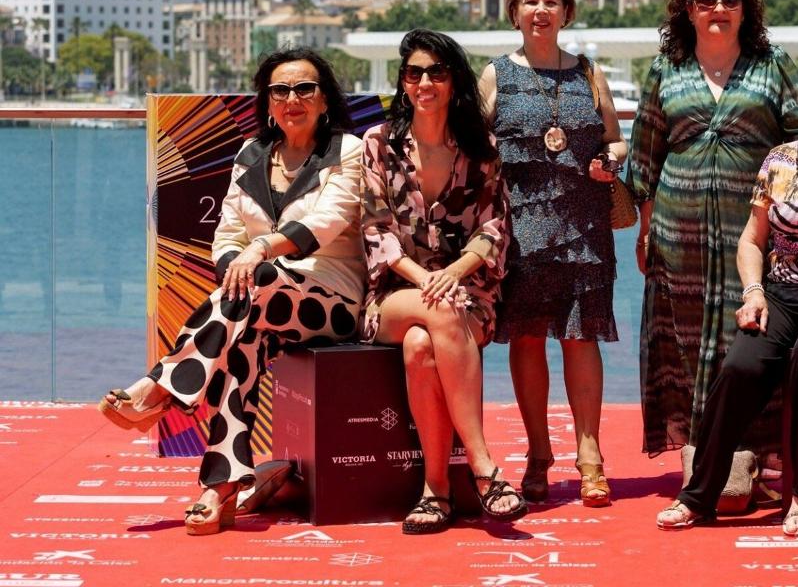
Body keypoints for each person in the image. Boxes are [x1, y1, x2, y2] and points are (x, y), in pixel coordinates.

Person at [98, 48, 366, 535]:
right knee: (237, 346)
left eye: (304, 88)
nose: (292, 99)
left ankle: (159, 388)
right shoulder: (251, 154)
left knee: (255, 281)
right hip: (258, 303)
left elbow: (328, 222)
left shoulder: (346, 150)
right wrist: (240, 264)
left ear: (324, 100)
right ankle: (218, 490)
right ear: (267, 102)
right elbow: (225, 237)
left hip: (331, 304)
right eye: (280, 90)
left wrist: (259, 250)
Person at [656, 52, 798, 536]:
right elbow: (752, 239)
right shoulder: (781, 159)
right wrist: (753, 291)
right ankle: (699, 495)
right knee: (741, 366)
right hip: (782, 290)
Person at [628, 0, 798, 457]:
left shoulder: (772, 64)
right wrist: (644, 233)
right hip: (676, 228)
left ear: (745, 10)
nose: (719, 8)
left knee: (748, 334)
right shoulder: (667, 68)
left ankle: (755, 450)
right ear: (688, 9)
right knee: (683, 338)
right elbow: (645, 154)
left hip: (751, 229)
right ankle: (699, 450)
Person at [359, 28, 525, 533]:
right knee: (432, 313)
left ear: (454, 81)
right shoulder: (379, 144)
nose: (424, 82)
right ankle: (484, 467)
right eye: (414, 73)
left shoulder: (481, 148)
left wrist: (451, 274)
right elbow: (376, 231)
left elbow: (494, 228)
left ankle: (436, 490)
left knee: (419, 347)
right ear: (403, 82)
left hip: (465, 291)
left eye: (436, 72)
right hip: (393, 293)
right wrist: (428, 281)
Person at [479, 0, 626, 507]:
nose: (541, 11)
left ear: (566, 12)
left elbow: (615, 140)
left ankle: (590, 455)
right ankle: (538, 454)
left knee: (581, 336)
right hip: (520, 225)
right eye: (530, 2)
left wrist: (608, 160)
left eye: (551, 2)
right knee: (526, 337)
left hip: (584, 223)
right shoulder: (495, 75)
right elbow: (474, 144)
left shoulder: (589, 73)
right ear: (515, 12)